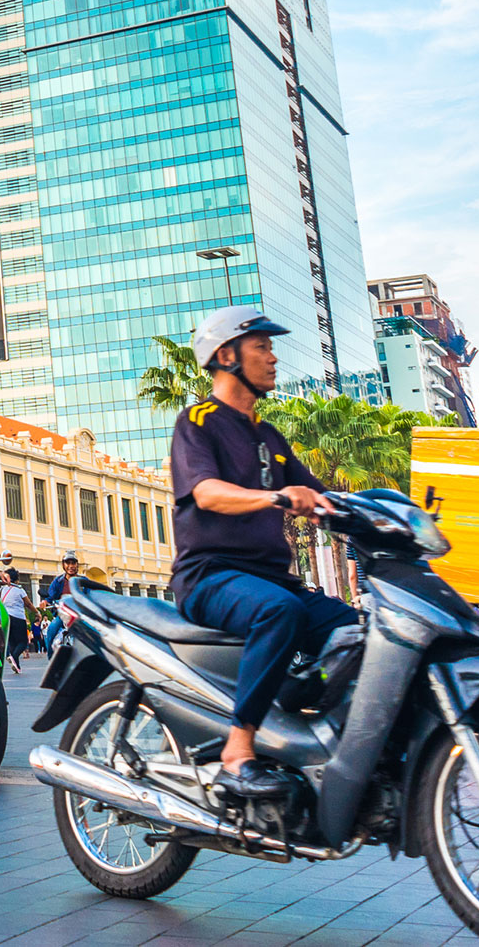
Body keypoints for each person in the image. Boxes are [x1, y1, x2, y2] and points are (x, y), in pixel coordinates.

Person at [167, 306, 359, 800]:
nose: (274, 358)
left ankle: (308, 733)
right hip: (209, 575)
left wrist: (378, 514)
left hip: (269, 577)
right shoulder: (197, 421)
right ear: (226, 355)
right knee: (280, 612)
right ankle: (238, 750)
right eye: (263, 347)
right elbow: (206, 493)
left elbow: (320, 498)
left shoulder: (269, 436)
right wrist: (276, 497)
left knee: (356, 631)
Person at [41, 554, 83, 654]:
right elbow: (50, 597)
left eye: (73, 563)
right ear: (63, 565)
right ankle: (51, 660)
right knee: (51, 631)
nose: (71, 566)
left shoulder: (83, 581)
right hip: (63, 615)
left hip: (80, 615)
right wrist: (45, 602)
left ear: (77, 565)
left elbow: (91, 594)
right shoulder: (58, 581)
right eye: (68, 563)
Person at [0, 568, 30, 672]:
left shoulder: (1, 590)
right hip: (18, 617)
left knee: (12, 642)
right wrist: (37, 612)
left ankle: (17, 666)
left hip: (6, 617)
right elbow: (28, 604)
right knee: (23, 642)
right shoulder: (20, 590)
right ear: (16, 580)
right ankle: (14, 656)